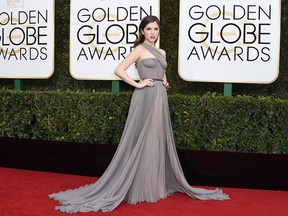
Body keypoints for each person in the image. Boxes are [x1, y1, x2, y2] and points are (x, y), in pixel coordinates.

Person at [49, 15, 230, 213]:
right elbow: (119, 70)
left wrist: (164, 81)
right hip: (145, 97)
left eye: (156, 29)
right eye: (149, 29)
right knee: (142, 139)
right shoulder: (139, 50)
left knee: (156, 139)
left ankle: (154, 184)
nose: (153, 33)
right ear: (142, 31)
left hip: (160, 96)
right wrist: (138, 83)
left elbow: (161, 69)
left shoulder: (162, 51)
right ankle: (139, 185)